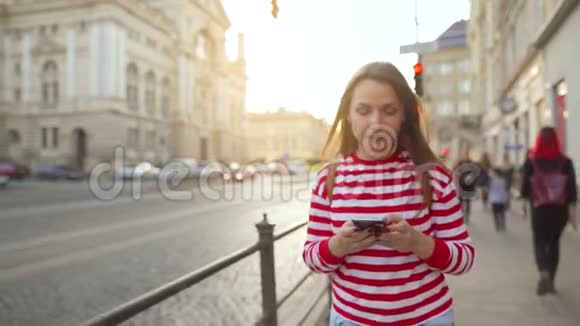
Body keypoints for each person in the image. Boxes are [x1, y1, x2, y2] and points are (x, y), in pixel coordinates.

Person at [302, 62, 475, 326]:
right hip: (351, 320)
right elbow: (313, 258)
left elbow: (464, 258)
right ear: (348, 115)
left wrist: (417, 243)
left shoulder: (434, 177)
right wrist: (338, 246)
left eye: (389, 111)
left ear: (404, 115)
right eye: (363, 110)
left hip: (426, 319)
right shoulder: (328, 179)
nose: (376, 122)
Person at [520, 127, 577, 296]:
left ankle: (543, 272)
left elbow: (524, 188)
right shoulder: (566, 162)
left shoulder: (532, 161)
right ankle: (551, 280)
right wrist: (573, 213)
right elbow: (572, 190)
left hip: (539, 209)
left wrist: (524, 203)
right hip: (559, 210)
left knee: (539, 241)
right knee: (554, 243)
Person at [453, 153, 478, 225]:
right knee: (466, 201)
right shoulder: (470, 164)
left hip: (464, 185)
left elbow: (455, 172)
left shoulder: (459, 164)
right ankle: (465, 215)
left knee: (463, 201)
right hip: (466, 186)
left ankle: (463, 215)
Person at [488, 167, 509, 232]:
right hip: (502, 200)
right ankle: (502, 224)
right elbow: (505, 190)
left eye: (491, 172)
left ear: (495, 173)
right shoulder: (503, 180)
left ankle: (497, 225)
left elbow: (489, 189)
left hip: (494, 200)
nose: (490, 174)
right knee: (501, 213)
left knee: (495, 213)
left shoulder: (491, 181)